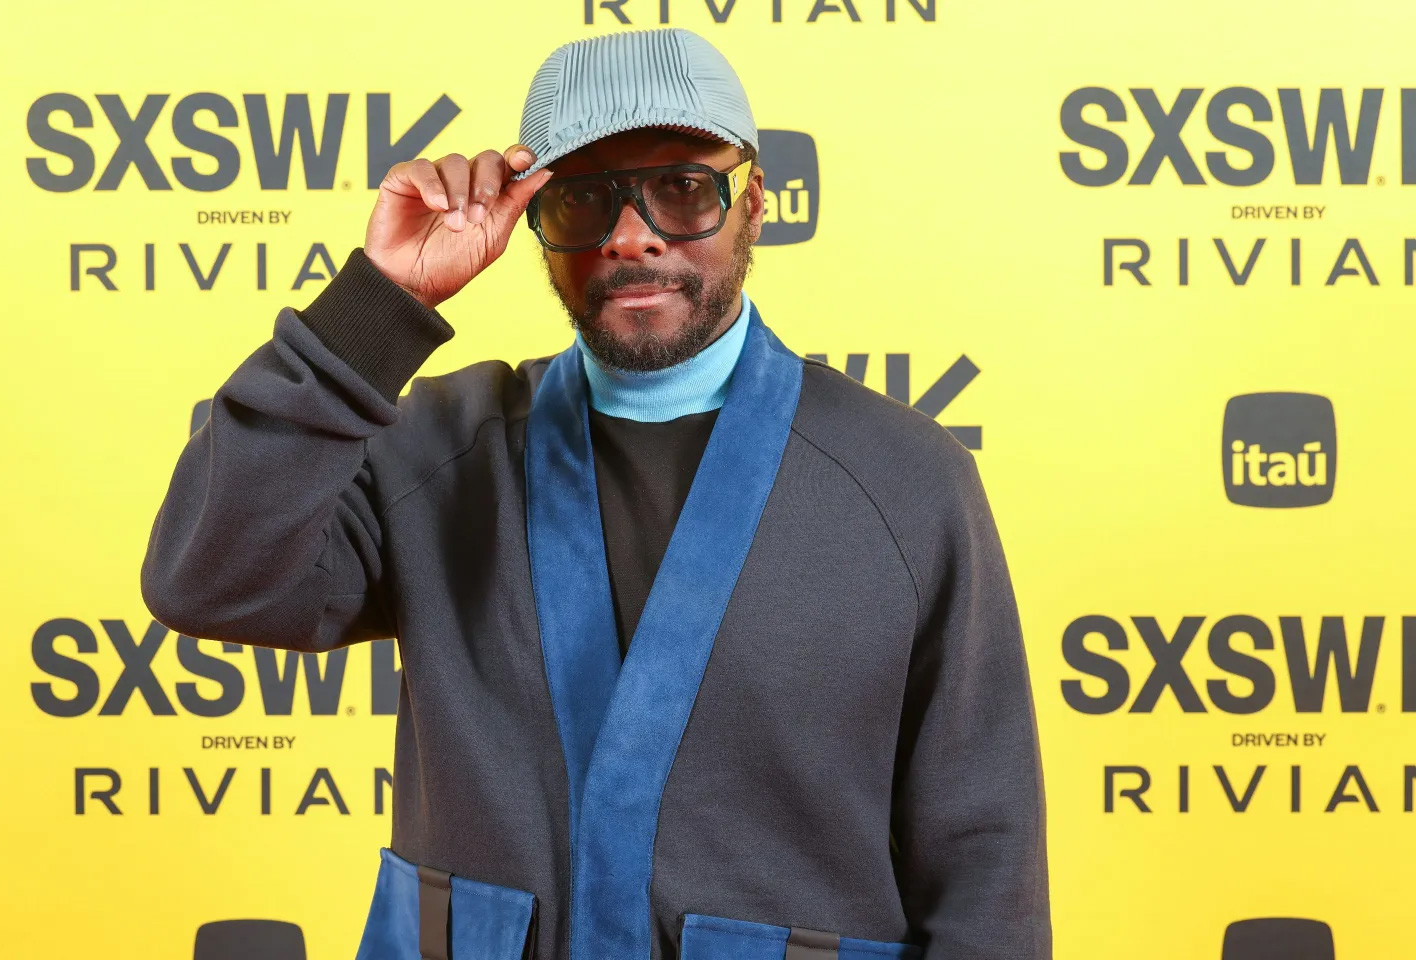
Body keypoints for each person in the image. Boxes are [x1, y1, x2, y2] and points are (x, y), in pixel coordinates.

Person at [140, 26, 1051, 960]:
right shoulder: (436, 450)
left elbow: (986, 858)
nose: (631, 234)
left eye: (683, 188)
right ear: (532, 221)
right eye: (582, 198)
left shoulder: (904, 479)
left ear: (756, 204)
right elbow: (210, 580)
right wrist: (377, 306)